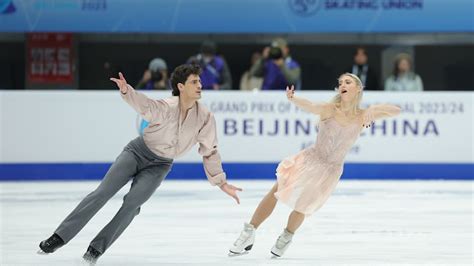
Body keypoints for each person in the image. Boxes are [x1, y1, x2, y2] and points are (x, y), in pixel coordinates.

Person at [38, 64, 242, 264]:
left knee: (132, 204)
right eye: (194, 82)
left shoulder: (205, 117)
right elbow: (146, 106)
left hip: (160, 166)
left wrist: (221, 182)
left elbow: (210, 150)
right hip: (136, 152)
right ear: (181, 86)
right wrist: (127, 91)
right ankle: (59, 237)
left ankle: (96, 249)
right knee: (102, 193)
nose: (200, 85)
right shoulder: (167, 106)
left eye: (199, 81)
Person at [229, 73, 401, 258]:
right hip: (311, 160)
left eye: (348, 82)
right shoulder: (330, 109)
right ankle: (249, 232)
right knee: (277, 190)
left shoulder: (361, 116)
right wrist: (293, 98)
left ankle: (286, 236)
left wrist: (372, 111)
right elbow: (310, 106)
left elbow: (396, 110)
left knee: (303, 205)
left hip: (331, 170)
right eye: (340, 82)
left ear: (358, 89)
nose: (342, 84)